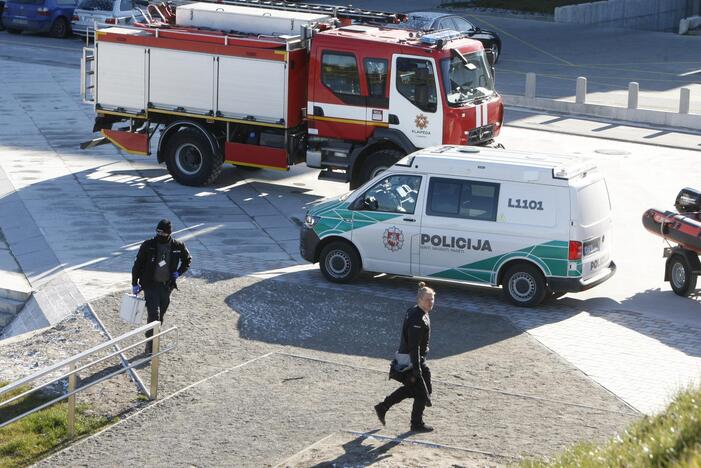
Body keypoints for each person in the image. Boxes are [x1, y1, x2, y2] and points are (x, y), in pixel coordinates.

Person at [374, 282, 435, 433]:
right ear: (420, 300)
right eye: (428, 299)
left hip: (412, 359)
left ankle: (383, 406)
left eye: (433, 299)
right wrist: (417, 369)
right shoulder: (418, 320)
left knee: (414, 389)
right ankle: (416, 423)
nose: (431, 302)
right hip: (411, 361)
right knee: (422, 391)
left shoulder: (415, 311)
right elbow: (414, 347)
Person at [131, 219, 191, 354]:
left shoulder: (177, 246)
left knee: (161, 316)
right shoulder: (148, 245)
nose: (159, 235)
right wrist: (135, 282)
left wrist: (178, 273)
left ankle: (153, 339)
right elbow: (137, 264)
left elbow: (187, 260)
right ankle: (151, 345)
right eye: (157, 232)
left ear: (169, 233)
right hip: (150, 285)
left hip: (166, 287)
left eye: (162, 233)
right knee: (154, 316)